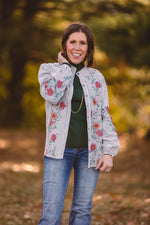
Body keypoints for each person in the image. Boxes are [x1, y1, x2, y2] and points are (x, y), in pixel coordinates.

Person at [38, 22, 120, 225]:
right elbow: (52, 95)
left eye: (82, 43)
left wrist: (108, 151)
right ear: (64, 45)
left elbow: (104, 115)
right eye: (72, 41)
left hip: (89, 153)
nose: (77, 47)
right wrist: (66, 67)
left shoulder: (96, 77)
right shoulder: (49, 71)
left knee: (82, 212)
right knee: (50, 215)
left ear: (88, 48)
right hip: (58, 152)